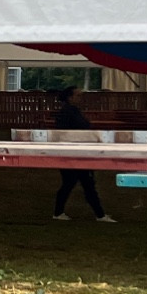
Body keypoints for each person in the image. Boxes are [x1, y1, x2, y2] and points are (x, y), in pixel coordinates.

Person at [52, 86, 116, 222]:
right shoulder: (67, 113)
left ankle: (98, 214)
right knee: (76, 183)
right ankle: (98, 214)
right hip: (72, 153)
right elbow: (63, 133)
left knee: (82, 183)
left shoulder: (73, 111)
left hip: (78, 152)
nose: (81, 98)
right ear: (70, 98)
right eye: (78, 95)